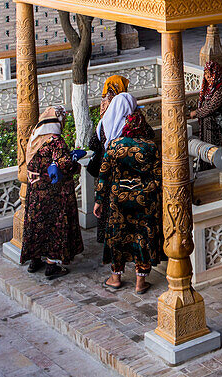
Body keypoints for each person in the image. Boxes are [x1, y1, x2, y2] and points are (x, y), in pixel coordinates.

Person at [94, 92, 163, 294]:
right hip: (144, 200)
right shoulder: (150, 147)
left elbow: (103, 175)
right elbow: (159, 176)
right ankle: (140, 283)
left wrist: (99, 201)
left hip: (119, 198)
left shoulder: (114, 146)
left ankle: (115, 277)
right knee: (142, 237)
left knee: (118, 236)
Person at [20, 106, 84, 280]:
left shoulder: (36, 138)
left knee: (37, 224)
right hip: (54, 193)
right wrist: (75, 162)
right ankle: (51, 264)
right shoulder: (56, 141)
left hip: (35, 192)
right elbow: (65, 165)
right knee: (54, 226)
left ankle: (35, 260)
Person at [189, 61, 222, 149]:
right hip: (207, 128)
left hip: (217, 129)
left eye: (211, 73)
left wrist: (196, 113)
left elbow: (211, 107)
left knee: (215, 153)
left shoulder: (221, 89)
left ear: (217, 73)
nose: (208, 76)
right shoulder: (209, 88)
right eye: (206, 73)